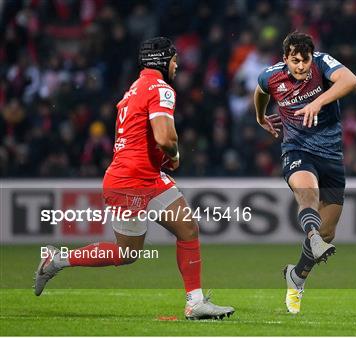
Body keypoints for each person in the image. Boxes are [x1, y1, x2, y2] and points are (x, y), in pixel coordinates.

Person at [33, 37, 234, 321]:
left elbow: (137, 138)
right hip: (132, 181)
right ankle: (58, 260)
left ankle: (195, 302)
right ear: (163, 61)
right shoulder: (161, 89)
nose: (177, 65)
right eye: (174, 59)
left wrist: (162, 160)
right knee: (128, 253)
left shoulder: (133, 90)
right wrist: (174, 154)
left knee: (187, 229)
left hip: (139, 176)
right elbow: (165, 137)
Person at [253, 32, 356, 314]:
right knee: (307, 194)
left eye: (305, 60)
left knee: (328, 232)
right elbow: (260, 91)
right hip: (297, 150)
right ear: (285, 58)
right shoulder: (271, 75)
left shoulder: (323, 64)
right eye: (295, 61)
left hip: (331, 155)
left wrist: (318, 101)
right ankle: (312, 237)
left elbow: (351, 81)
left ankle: (296, 276)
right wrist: (260, 116)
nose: (301, 66)